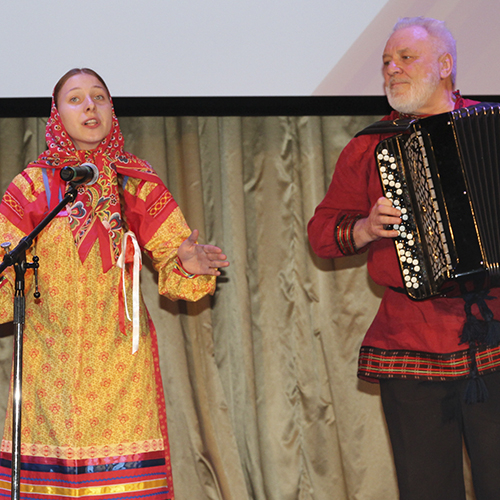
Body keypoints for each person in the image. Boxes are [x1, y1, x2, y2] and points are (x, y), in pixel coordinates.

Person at [0, 68, 229, 499]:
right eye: (76, 99)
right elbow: (4, 264)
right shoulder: (32, 185)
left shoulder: (133, 178)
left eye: (99, 97)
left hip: (118, 359)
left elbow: (172, 253)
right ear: (57, 114)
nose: (90, 106)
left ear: (111, 109)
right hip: (49, 361)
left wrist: (188, 263)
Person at [308, 17, 500, 500]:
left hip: (496, 330)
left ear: (445, 65)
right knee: (427, 488)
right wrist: (365, 229)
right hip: (411, 338)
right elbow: (321, 233)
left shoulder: (491, 125)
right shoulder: (369, 145)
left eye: (406, 58)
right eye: (386, 62)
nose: (392, 69)